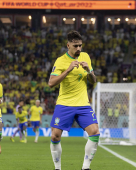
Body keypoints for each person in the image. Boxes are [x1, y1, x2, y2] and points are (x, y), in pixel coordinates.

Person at [48, 30, 100, 170]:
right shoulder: (61, 61)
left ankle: (85, 167)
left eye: (80, 46)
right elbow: (51, 83)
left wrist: (89, 70)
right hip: (65, 103)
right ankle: (58, 168)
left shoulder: (85, 57)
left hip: (83, 103)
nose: (78, 49)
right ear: (68, 45)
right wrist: (68, 70)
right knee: (55, 136)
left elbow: (93, 80)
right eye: (75, 46)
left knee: (95, 132)